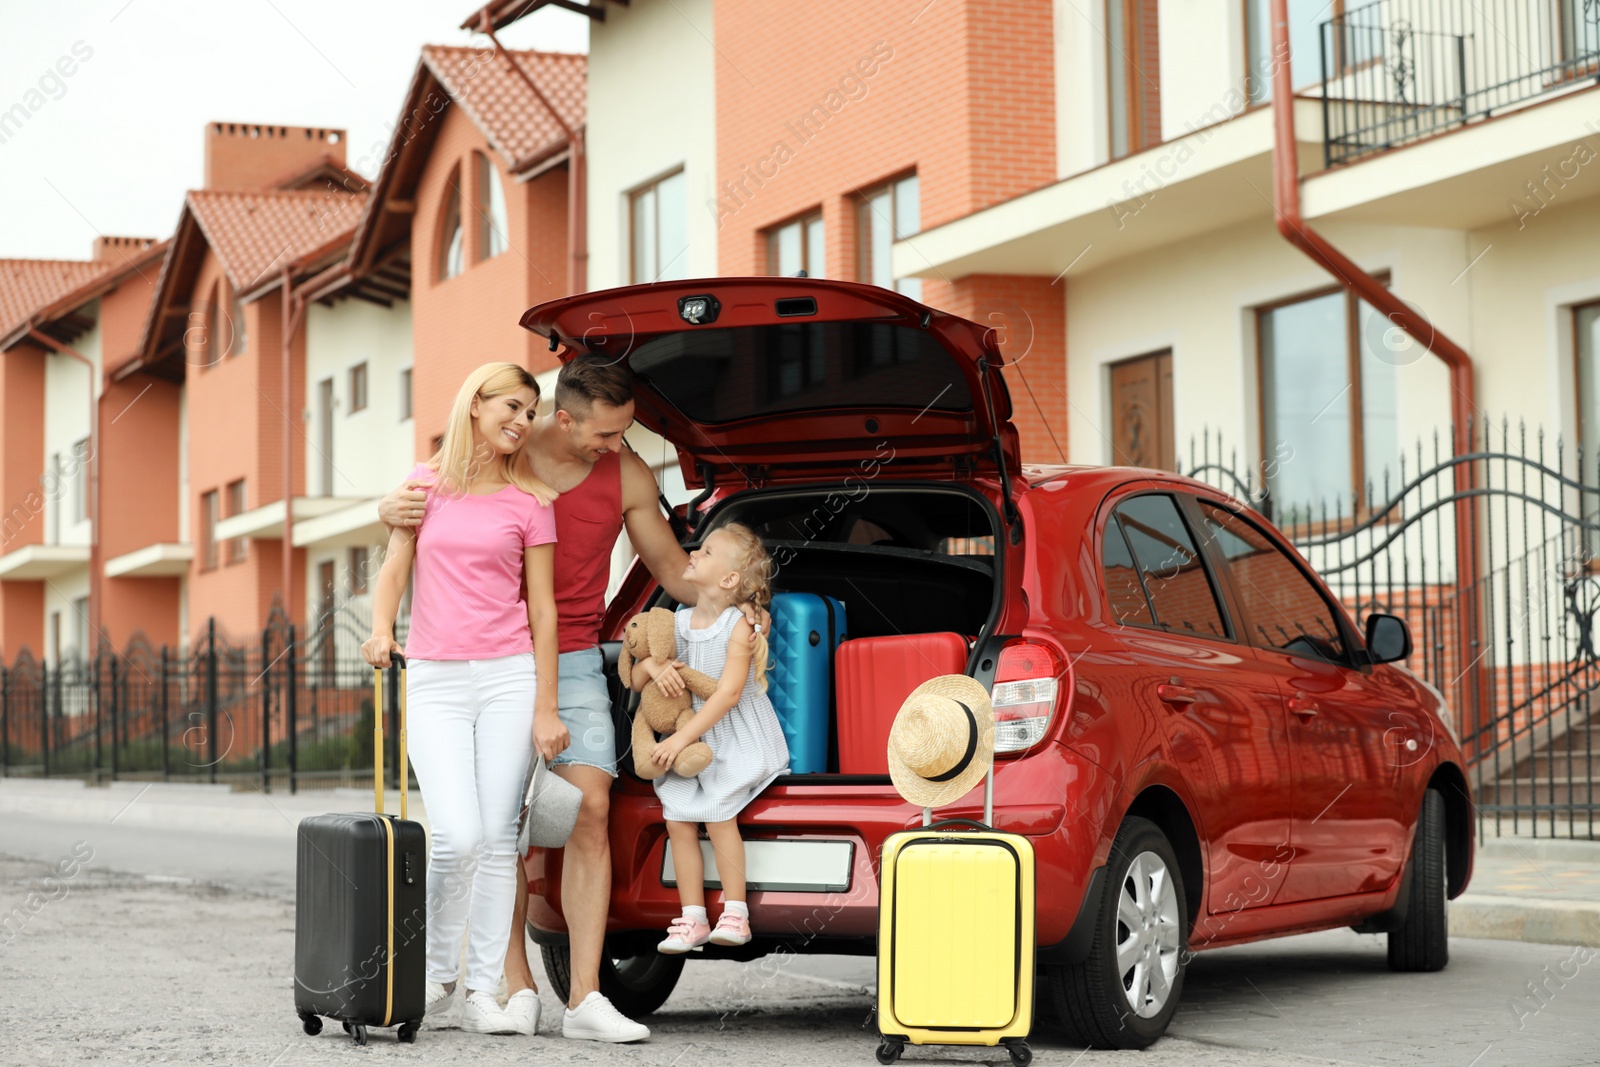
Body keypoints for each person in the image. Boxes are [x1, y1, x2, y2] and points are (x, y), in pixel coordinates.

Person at [377, 355, 759, 1043]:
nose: (620, 448)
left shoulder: (627, 474)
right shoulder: (508, 448)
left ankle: (584, 997)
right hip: (481, 659)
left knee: (588, 803)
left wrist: (749, 609)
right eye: (607, 435)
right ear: (562, 417)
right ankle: (512, 984)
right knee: (501, 825)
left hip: (573, 655)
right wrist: (387, 507)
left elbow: (673, 569)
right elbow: (433, 497)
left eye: (624, 435)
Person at [361, 362, 564, 1038]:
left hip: (509, 676)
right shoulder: (423, 486)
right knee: (455, 833)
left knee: (500, 837)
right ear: (474, 404)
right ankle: (434, 973)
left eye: (530, 411)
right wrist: (380, 630)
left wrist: (546, 706)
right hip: (437, 678)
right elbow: (394, 568)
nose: (522, 420)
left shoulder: (532, 499)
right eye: (512, 404)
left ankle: (481, 990)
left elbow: (543, 608)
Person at [633, 523, 790, 951]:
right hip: (688, 736)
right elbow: (635, 670)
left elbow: (728, 695)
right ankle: (692, 919)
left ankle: (735, 914)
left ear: (729, 579)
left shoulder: (738, 626)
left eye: (707, 550)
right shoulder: (676, 623)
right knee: (678, 819)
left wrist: (680, 741)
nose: (694, 553)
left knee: (719, 814)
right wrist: (653, 669)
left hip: (731, 736)